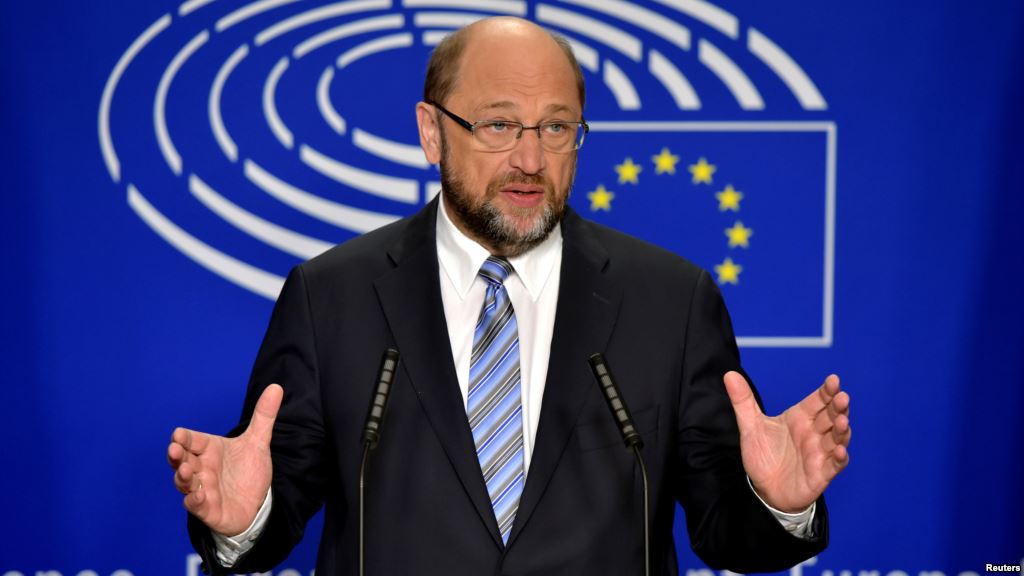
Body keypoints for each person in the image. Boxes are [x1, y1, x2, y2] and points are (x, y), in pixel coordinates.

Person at [167, 16, 851, 576]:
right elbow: (273, 507)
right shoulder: (330, 296)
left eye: (556, 128)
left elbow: (724, 530)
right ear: (431, 131)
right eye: (498, 125)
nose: (530, 159)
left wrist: (775, 504)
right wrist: (245, 518)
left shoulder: (670, 301)